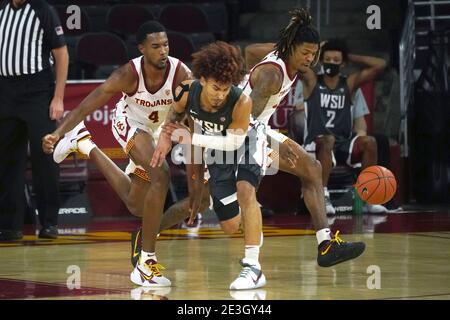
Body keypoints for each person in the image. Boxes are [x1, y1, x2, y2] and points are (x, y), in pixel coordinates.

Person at [42, 21, 202, 287]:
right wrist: (58, 133)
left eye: (166, 45)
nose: (163, 51)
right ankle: (145, 262)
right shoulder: (128, 74)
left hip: (157, 131)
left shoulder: (180, 75)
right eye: (155, 46)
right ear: (141, 49)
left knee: (136, 203)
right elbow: (88, 103)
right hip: (129, 123)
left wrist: (196, 185)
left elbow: (193, 132)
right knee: (160, 176)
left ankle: (84, 145)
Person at [241, 8, 365, 267]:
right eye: (305, 53)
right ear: (291, 48)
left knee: (312, 168)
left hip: (256, 127)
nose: (310, 59)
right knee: (196, 204)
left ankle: (325, 244)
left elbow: (251, 50)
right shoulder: (272, 75)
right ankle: (149, 236)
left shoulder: (284, 55)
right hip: (237, 131)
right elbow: (244, 124)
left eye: (313, 53)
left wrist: (244, 78)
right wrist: (274, 144)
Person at [151, 41, 267, 290]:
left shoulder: (241, 101)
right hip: (217, 150)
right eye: (216, 88)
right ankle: (252, 225)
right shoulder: (185, 92)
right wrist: (164, 140)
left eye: (226, 89)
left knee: (246, 189)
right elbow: (172, 119)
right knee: (230, 226)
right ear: (202, 79)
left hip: (246, 143)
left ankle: (253, 266)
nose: (220, 95)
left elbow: (234, 140)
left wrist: (191, 138)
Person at [0, 0, 68, 240]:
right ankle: (10, 225)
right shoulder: (2, 10)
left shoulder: (43, 10)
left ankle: (49, 223)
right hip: (6, 91)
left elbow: (61, 54)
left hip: (37, 90)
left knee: (45, 157)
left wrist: (58, 98)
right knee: (8, 161)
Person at [302, 38, 388, 214]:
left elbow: (381, 64)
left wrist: (350, 56)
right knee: (328, 139)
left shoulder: (348, 84)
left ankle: (367, 197)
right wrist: (315, 51)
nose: (331, 63)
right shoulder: (312, 81)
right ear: (320, 60)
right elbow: (294, 61)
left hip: (343, 142)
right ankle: (322, 197)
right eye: (327, 59)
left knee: (370, 141)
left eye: (336, 60)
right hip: (317, 142)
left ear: (343, 64)